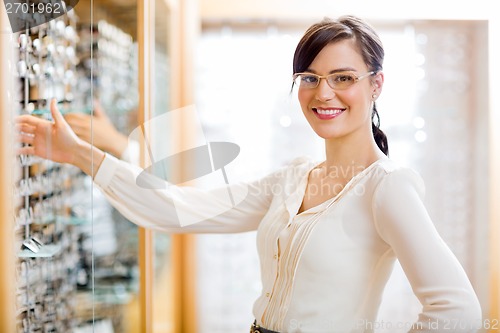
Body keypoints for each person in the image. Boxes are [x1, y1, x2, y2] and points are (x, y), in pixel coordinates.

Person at [17, 15, 482, 333]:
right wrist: (81, 155)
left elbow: (456, 309)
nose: (324, 93)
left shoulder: (388, 186)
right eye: (309, 78)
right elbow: (180, 209)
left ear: (375, 84)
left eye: (343, 77)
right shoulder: (293, 178)